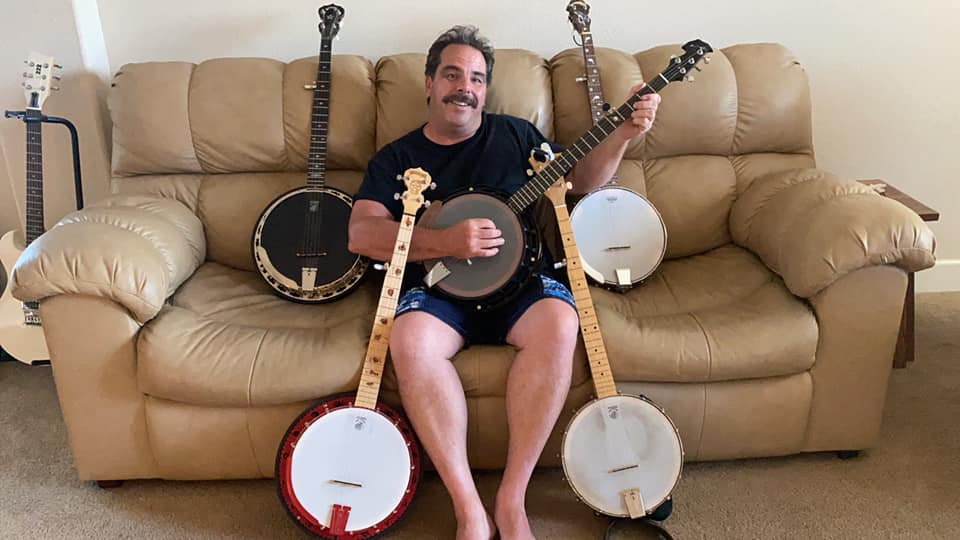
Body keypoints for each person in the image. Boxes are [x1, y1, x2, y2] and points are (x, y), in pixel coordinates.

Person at [348, 25, 660, 540]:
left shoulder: (517, 136)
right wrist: (444, 242)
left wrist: (622, 134)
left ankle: (512, 499)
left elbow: (582, 181)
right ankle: (468, 508)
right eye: (452, 75)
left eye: (476, 78)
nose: (464, 88)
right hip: (440, 291)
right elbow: (361, 234)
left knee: (560, 322)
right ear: (429, 83)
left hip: (522, 283)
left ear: (485, 89)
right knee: (409, 340)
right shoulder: (397, 159)